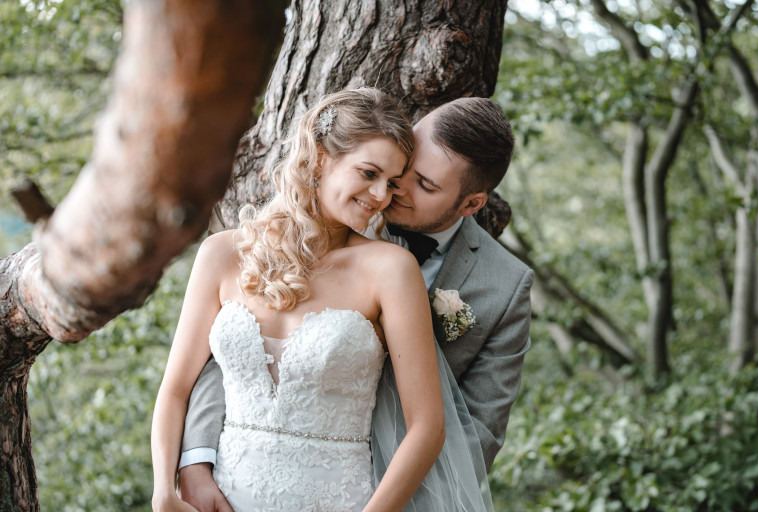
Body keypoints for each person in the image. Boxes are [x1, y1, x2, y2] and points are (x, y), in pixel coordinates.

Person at [178, 97, 533, 510]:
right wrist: (194, 462)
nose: (393, 191)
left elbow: (480, 430)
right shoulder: (337, 208)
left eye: (425, 185)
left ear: (471, 204)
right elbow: (232, 358)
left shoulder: (504, 286)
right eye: (405, 170)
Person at [151, 87, 446, 512]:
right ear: (321, 157)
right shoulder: (221, 254)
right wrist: (164, 489)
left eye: (392, 183)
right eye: (369, 173)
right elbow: (176, 388)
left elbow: (427, 427)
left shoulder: (391, 270)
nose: (382, 195)